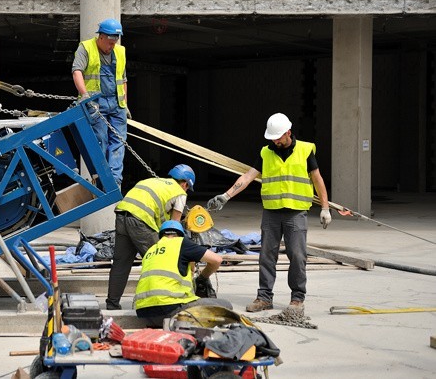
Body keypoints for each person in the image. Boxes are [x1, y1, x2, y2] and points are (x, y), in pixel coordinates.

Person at [207, 113, 331, 314]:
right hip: (271, 213)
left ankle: (297, 299)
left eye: (278, 137)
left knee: (297, 256)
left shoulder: (305, 150)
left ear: (288, 133)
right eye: (272, 137)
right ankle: (264, 297)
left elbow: (317, 179)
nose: (275, 141)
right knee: (266, 256)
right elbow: (248, 176)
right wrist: (226, 195)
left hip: (296, 213)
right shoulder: (266, 152)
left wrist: (325, 208)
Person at [106, 164, 195, 310]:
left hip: (122, 215)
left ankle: (112, 304)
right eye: (187, 188)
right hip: (140, 221)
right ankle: (158, 302)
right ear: (185, 184)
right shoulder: (179, 192)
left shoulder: (151, 181)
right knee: (160, 259)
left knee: (121, 263)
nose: (186, 191)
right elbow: (174, 225)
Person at [134, 220, 224, 327]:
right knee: (225, 306)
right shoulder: (181, 243)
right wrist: (202, 278)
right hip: (169, 310)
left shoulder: (150, 250)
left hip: (144, 314)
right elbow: (217, 260)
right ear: (181, 234)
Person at [72, 18, 129, 187]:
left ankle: (115, 179)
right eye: (110, 42)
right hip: (96, 103)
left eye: (115, 42)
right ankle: (103, 178)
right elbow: (77, 72)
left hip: (116, 103)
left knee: (119, 140)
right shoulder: (86, 48)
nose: (112, 46)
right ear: (101, 37)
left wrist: (125, 103)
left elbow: (123, 79)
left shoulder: (120, 52)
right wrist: (85, 96)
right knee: (101, 139)